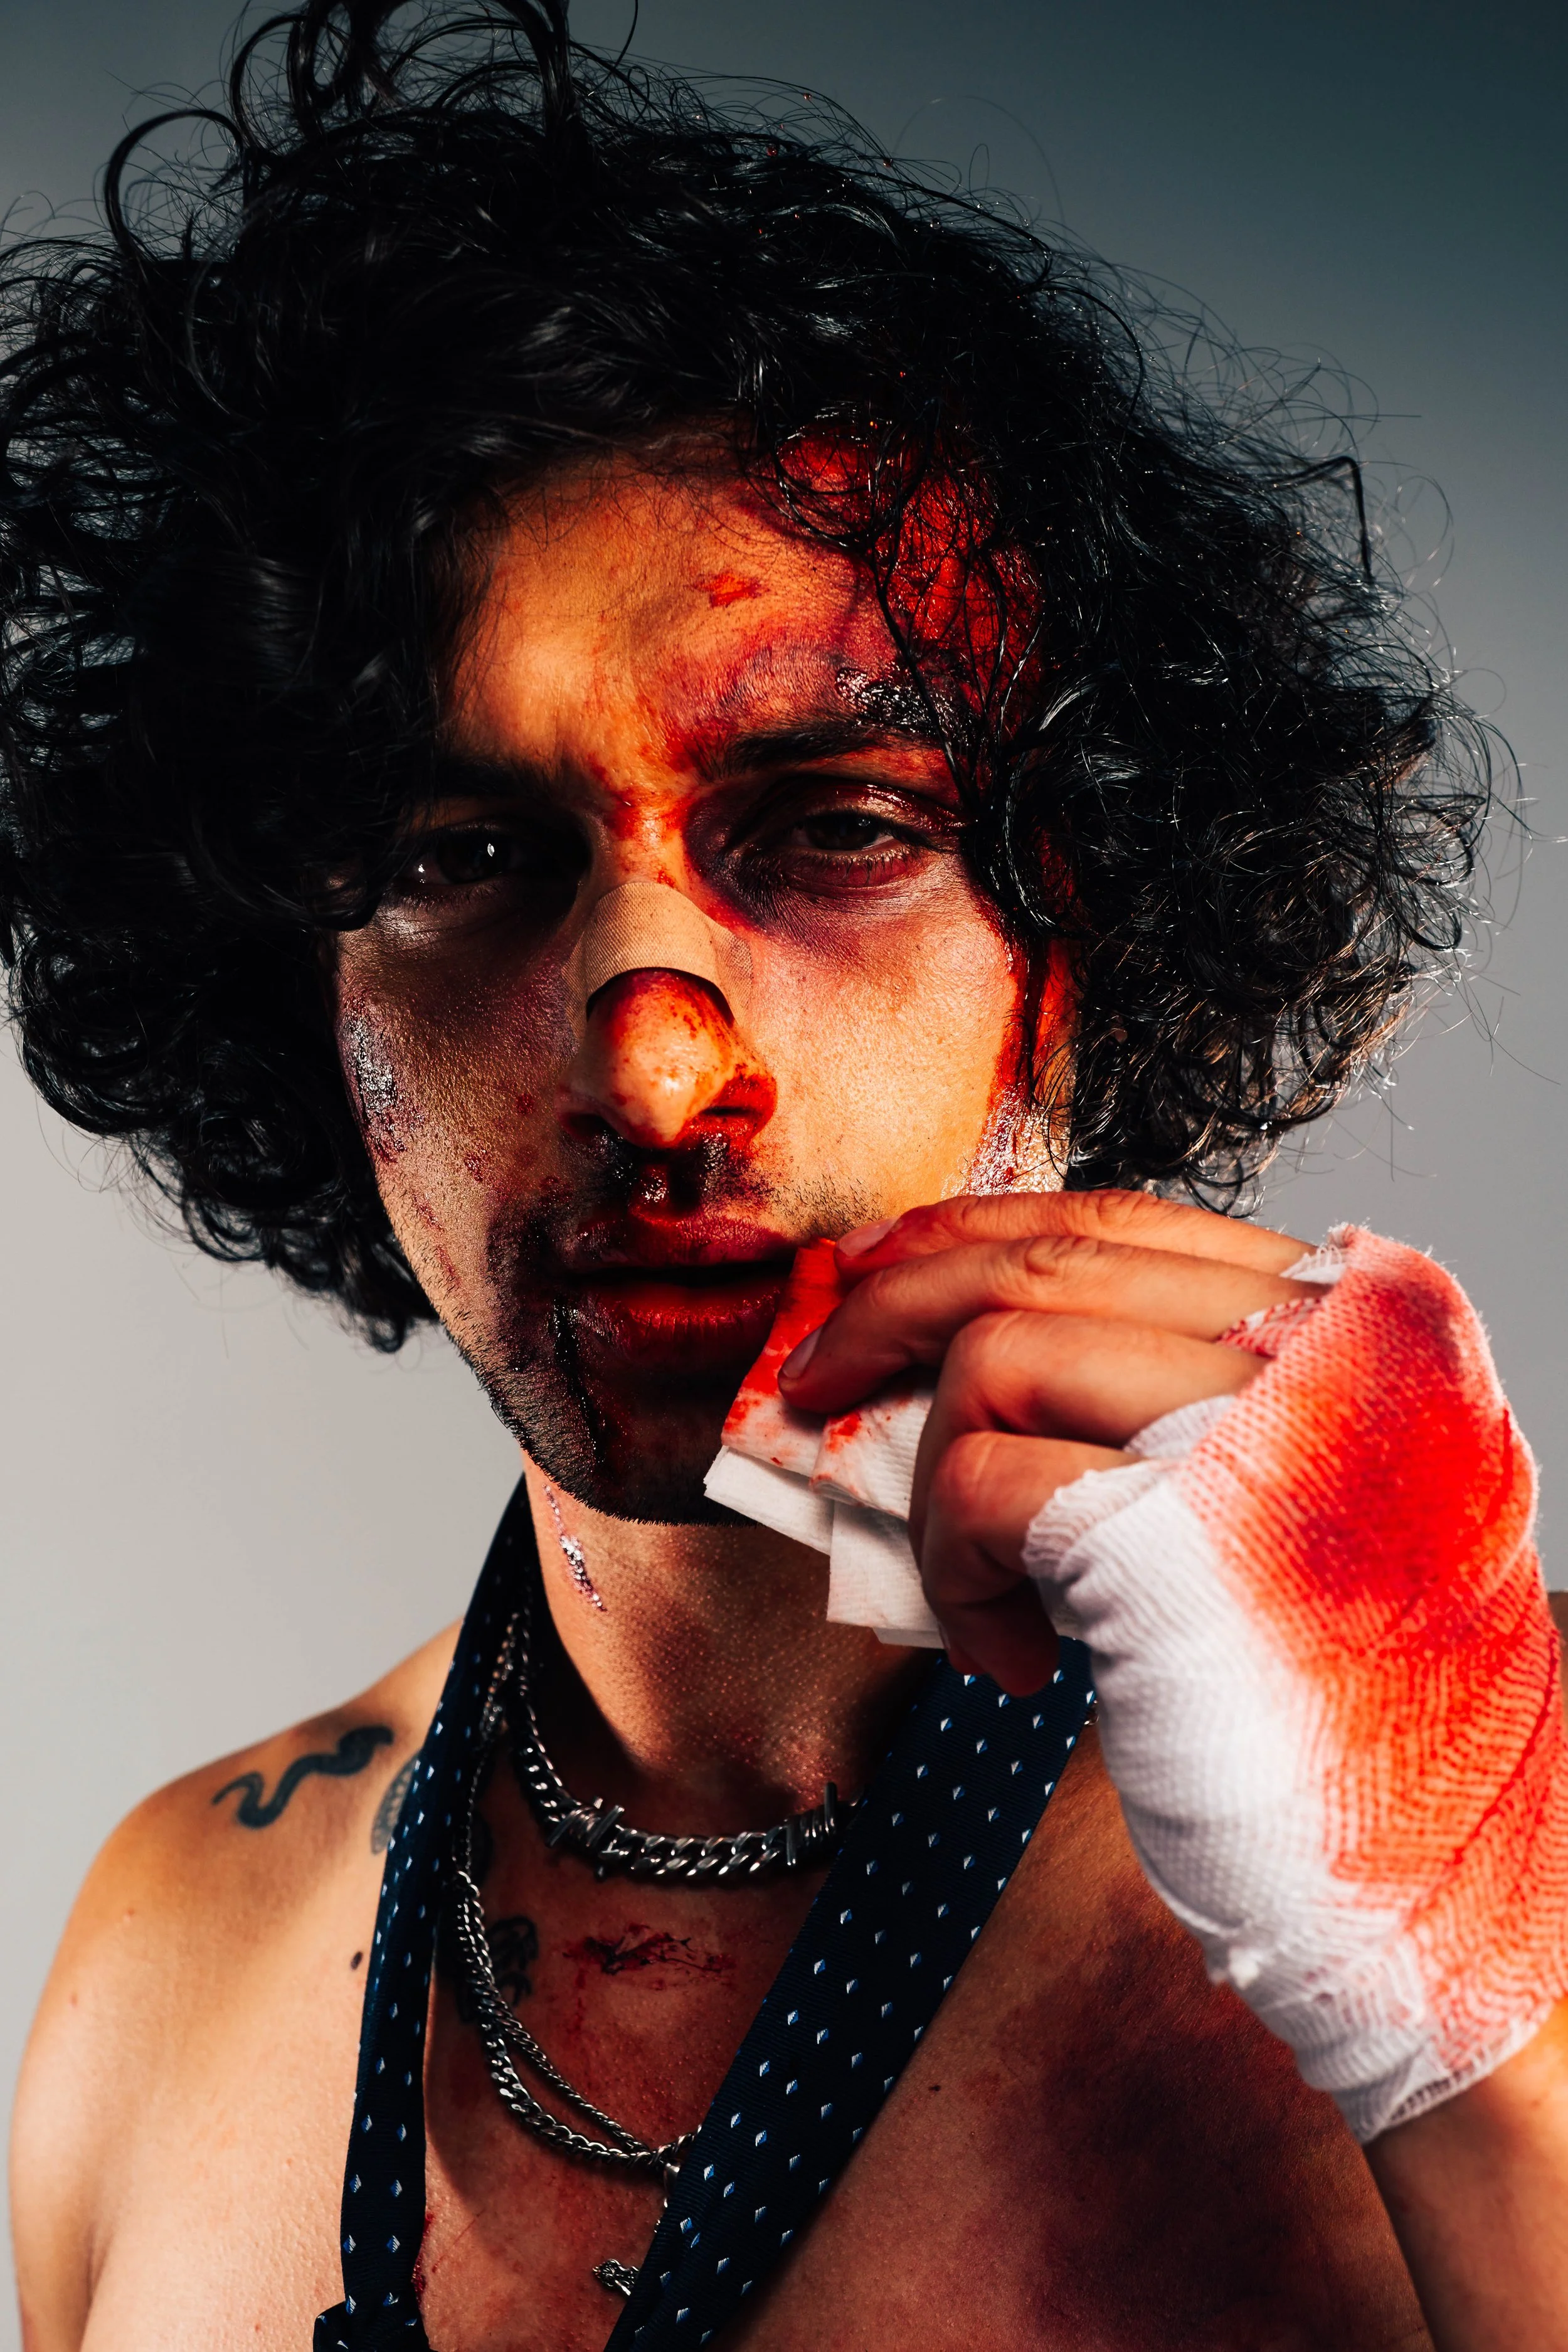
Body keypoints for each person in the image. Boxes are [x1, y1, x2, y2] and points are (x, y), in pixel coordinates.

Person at [4, 6, 1566, 2348]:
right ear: (297, 986)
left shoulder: (1501, 1918)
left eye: (834, 828)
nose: (653, 1065)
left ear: (1092, 946)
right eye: (468, 852)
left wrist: (1481, 2045)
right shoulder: (175, 1937)